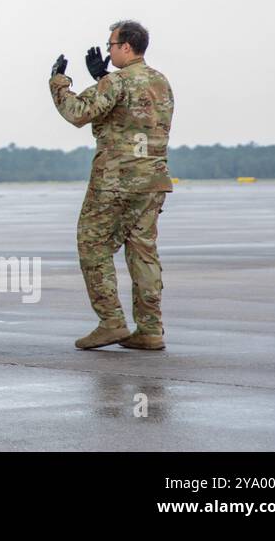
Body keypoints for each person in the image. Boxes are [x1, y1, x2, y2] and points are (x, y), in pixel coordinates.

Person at [49, 19, 174, 351]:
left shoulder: (117, 83)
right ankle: (150, 329)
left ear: (126, 47)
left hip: (116, 181)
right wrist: (103, 78)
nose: (109, 51)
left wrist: (59, 82)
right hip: (153, 181)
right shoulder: (161, 82)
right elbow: (133, 115)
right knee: (143, 251)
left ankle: (111, 323)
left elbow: (78, 113)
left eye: (111, 46)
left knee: (93, 246)